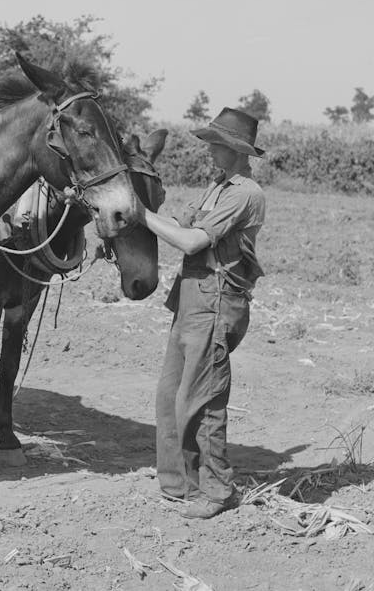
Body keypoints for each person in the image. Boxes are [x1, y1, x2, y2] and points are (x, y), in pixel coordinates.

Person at [138, 107, 266, 519]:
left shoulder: (244, 193)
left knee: (203, 401)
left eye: (215, 143)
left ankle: (216, 490)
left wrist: (140, 216)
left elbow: (192, 241)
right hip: (191, 300)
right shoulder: (216, 186)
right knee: (169, 396)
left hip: (215, 303)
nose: (208, 149)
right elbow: (178, 220)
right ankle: (178, 482)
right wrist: (130, 209)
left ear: (234, 149)